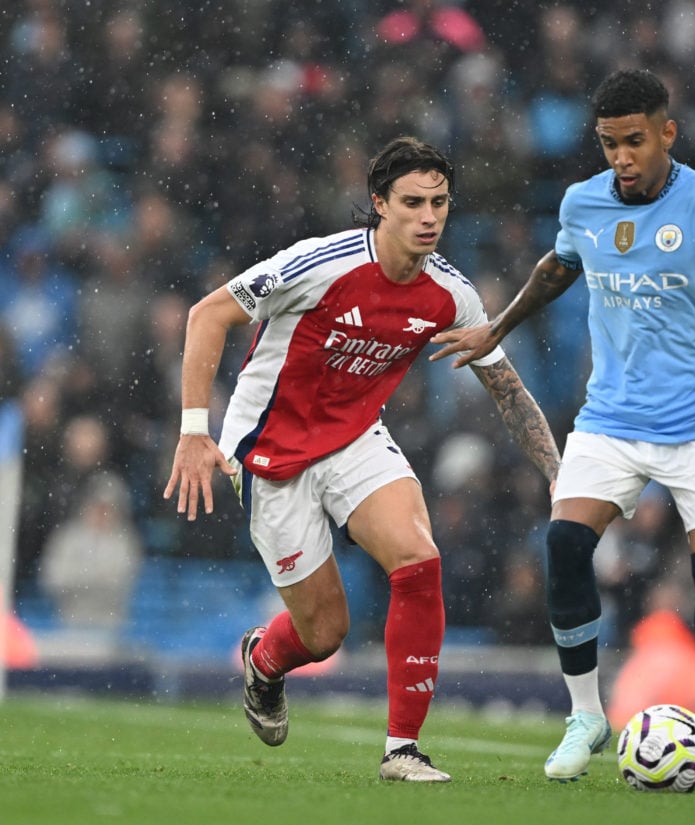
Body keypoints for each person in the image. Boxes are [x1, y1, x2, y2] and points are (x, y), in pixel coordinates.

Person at [431, 69, 695, 791]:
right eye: (608, 144)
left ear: (667, 132)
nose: (621, 157)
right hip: (611, 418)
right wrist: (496, 327)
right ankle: (585, 715)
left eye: (634, 141)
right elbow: (559, 265)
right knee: (564, 544)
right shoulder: (582, 203)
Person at [163, 137, 560, 783]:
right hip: (269, 449)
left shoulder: (451, 294)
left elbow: (506, 386)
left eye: (439, 203)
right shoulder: (318, 263)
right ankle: (263, 661)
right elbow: (207, 314)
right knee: (324, 633)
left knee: (419, 557)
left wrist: (557, 471)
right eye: (412, 203)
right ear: (379, 204)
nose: (429, 216)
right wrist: (191, 430)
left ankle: (402, 748)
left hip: (352, 436)